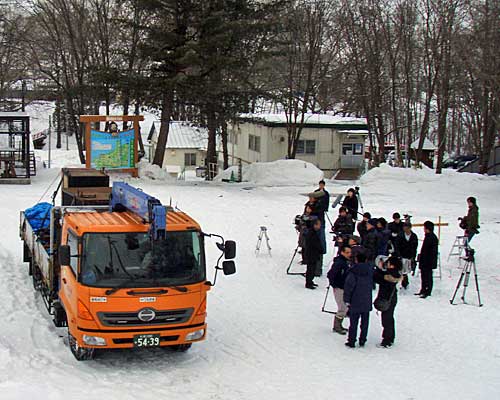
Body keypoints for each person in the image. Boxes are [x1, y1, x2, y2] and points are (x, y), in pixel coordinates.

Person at [344, 251, 373, 348]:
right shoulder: (370, 271)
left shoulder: (353, 271)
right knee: (365, 323)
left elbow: (349, 286)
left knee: (353, 323)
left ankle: (351, 340)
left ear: (356, 260)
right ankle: (362, 340)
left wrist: (346, 299)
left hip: (355, 300)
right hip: (366, 300)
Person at [373, 256, 403, 348]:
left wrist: (378, 269)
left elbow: (377, 278)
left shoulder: (390, 275)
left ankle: (387, 340)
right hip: (391, 298)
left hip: (387, 299)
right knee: (389, 318)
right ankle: (390, 337)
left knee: (386, 319)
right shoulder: (395, 273)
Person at [327, 245, 352, 335]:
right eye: (347, 252)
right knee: (342, 307)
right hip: (340, 287)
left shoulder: (347, 262)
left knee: (344, 307)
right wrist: (335, 284)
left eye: (350, 252)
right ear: (342, 252)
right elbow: (331, 274)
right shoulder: (340, 263)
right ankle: (337, 326)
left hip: (345, 287)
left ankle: (339, 325)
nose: (349, 254)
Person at [417, 221, 439, 299]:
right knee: (423, 276)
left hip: (428, 261)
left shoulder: (432, 238)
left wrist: (431, 261)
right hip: (424, 260)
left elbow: (432, 252)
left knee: (428, 276)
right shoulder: (428, 236)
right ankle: (423, 289)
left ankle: (427, 290)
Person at [307, 191, 327, 276]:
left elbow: (316, 216)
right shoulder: (310, 205)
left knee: (318, 248)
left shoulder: (318, 206)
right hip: (312, 229)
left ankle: (317, 270)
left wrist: (310, 212)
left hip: (317, 231)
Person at [396, 222, 418, 289]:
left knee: (407, 269)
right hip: (402, 255)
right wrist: (398, 254)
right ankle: (404, 283)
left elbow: (415, 247)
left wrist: (413, 256)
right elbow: (397, 245)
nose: (405, 229)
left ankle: (405, 283)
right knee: (403, 270)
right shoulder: (400, 235)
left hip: (409, 255)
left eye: (407, 228)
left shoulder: (414, 236)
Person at [304, 219, 324, 289]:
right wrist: (320, 249)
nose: (320, 226)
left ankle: (310, 281)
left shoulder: (313, 232)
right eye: (318, 224)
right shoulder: (311, 233)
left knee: (312, 268)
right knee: (310, 269)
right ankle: (308, 283)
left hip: (313, 253)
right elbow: (314, 244)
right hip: (311, 254)